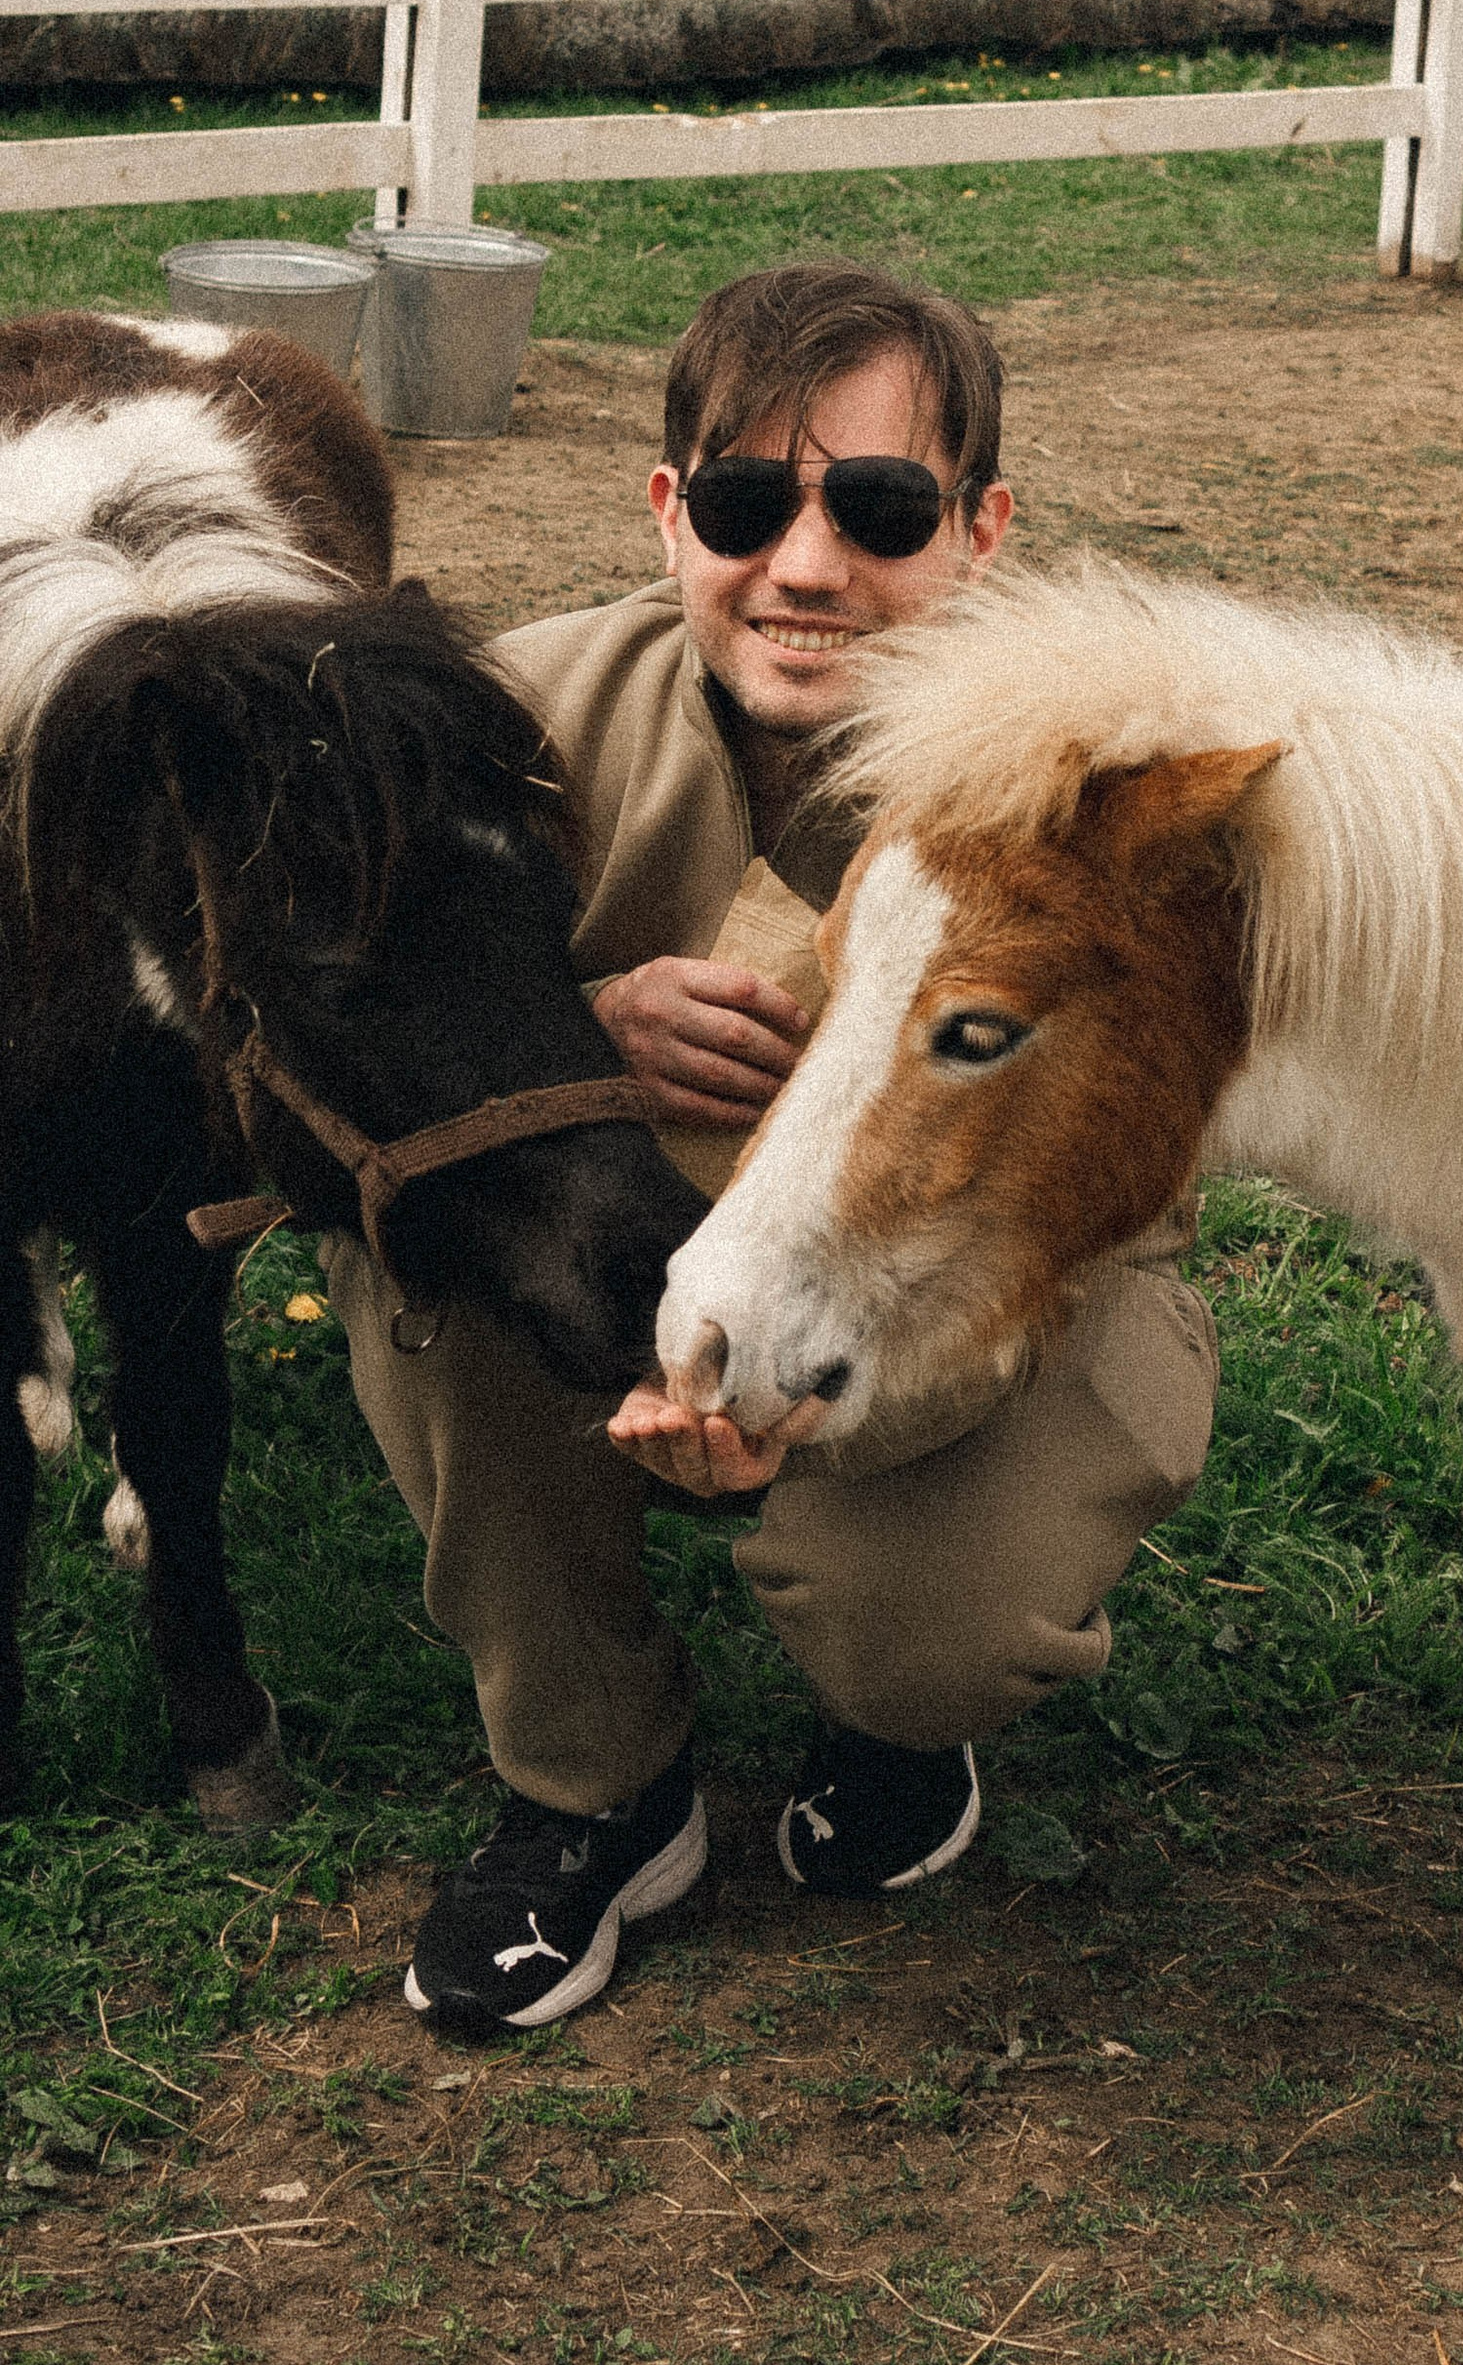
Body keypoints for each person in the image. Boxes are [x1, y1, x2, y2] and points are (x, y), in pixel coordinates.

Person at [322, 262, 1218, 2040]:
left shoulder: (1088, 792)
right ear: (670, 515)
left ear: (982, 530)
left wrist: (810, 1409)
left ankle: (897, 1717)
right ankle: (592, 1784)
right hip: (608, 1265)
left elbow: (1075, 1211)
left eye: (881, 508)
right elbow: (361, 1033)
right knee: (410, 1233)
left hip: (976, 1311)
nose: (806, 566)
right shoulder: (503, 719)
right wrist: (573, 1026)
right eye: (746, 503)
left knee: (940, 1636)